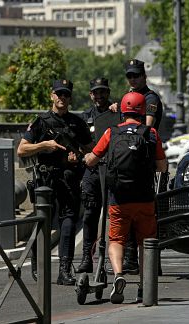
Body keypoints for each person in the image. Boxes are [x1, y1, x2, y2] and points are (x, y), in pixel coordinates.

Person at [84, 92, 167, 304]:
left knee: (116, 240)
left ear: (122, 110)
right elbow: (162, 166)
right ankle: (143, 286)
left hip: (119, 198)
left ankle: (119, 275)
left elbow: (93, 159)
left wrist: (86, 158)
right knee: (145, 242)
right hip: (145, 198)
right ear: (141, 112)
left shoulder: (112, 132)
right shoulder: (151, 133)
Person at [17, 79, 93, 286]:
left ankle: (64, 269)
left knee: (68, 222)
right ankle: (37, 262)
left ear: (70, 97)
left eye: (66, 94)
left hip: (69, 178)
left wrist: (77, 157)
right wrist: (44, 145)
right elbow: (22, 149)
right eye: (59, 94)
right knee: (42, 222)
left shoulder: (77, 123)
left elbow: (91, 149)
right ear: (52, 95)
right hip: (45, 179)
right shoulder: (41, 122)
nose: (62, 98)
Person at [109, 58, 165, 275]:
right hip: (130, 165)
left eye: (136, 75)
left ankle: (150, 267)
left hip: (144, 162)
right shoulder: (129, 99)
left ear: (144, 76)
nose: (132, 79)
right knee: (132, 217)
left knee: (146, 220)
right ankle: (133, 262)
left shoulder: (150, 98)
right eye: (129, 76)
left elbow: (147, 127)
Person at [75, 77, 114, 273]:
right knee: (90, 214)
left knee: (115, 215)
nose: (99, 96)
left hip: (112, 170)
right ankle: (86, 259)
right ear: (91, 95)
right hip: (92, 171)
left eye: (103, 92)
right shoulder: (84, 117)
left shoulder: (116, 114)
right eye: (96, 92)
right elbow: (79, 143)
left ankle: (115, 260)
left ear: (108, 93)